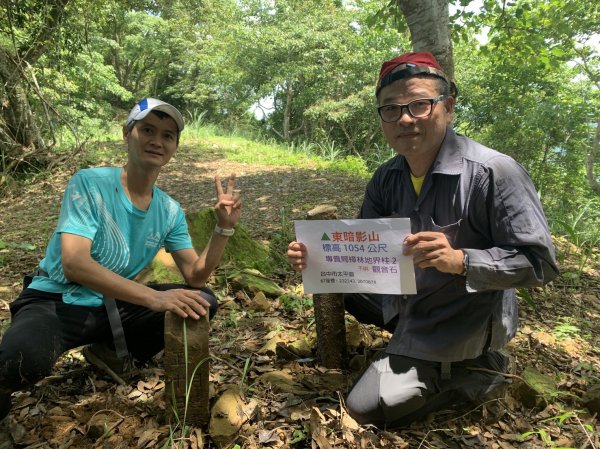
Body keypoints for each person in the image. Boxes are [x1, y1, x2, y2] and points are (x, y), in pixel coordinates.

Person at [288, 52, 559, 427]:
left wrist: (461, 260)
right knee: (338, 287)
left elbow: (540, 262)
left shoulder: (494, 171)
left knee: (365, 409)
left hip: (461, 317)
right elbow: (363, 253)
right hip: (407, 303)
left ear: (447, 108)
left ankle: (478, 371)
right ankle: (414, 353)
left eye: (419, 105)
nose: (404, 118)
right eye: (391, 109)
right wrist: (317, 258)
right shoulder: (387, 177)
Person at [0, 98, 242, 421]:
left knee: (200, 301)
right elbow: (74, 263)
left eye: (168, 135)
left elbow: (196, 275)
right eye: (147, 130)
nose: (157, 140)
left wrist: (222, 229)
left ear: (174, 147)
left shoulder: (168, 210)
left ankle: (109, 353)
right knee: (18, 361)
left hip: (113, 306)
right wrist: (155, 298)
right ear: (127, 134)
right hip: (56, 300)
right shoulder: (90, 184)